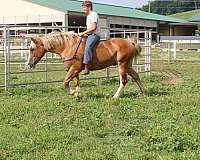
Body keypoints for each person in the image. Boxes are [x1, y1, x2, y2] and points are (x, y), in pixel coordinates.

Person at [78, 0, 100, 75]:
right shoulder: (88, 16)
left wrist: (83, 33)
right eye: (83, 7)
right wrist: (85, 34)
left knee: (88, 47)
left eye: (84, 7)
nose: (83, 9)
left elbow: (93, 27)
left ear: (89, 7)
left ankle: (87, 67)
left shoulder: (93, 14)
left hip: (94, 35)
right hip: (89, 35)